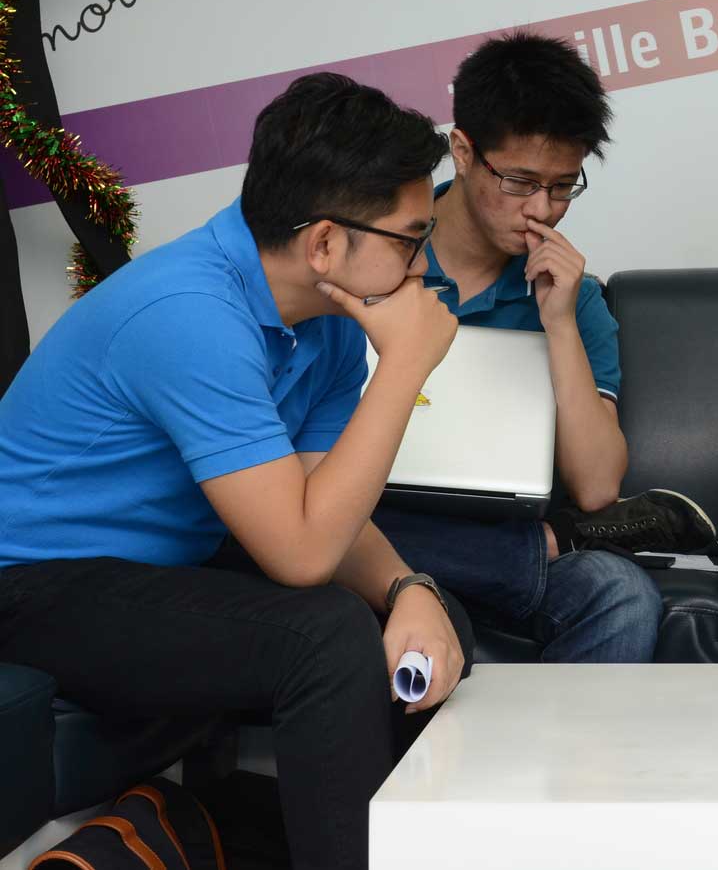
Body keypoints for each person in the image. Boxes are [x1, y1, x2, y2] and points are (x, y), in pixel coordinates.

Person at [0, 73, 472, 870]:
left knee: (423, 620)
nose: (424, 264)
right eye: (410, 237)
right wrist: (407, 366)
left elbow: (326, 507)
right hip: (30, 580)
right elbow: (301, 552)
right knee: (321, 636)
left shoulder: (321, 321)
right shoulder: (190, 315)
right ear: (325, 242)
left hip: (148, 565)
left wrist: (410, 590)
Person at [371, 32, 710, 664]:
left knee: (621, 593)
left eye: (562, 186)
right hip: (375, 519)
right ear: (464, 151)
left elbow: (598, 486)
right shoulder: (382, 254)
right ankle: (534, 554)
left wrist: (557, 323)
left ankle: (564, 764)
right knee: (337, 535)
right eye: (521, 181)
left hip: (498, 529)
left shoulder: (572, 296)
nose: (543, 210)